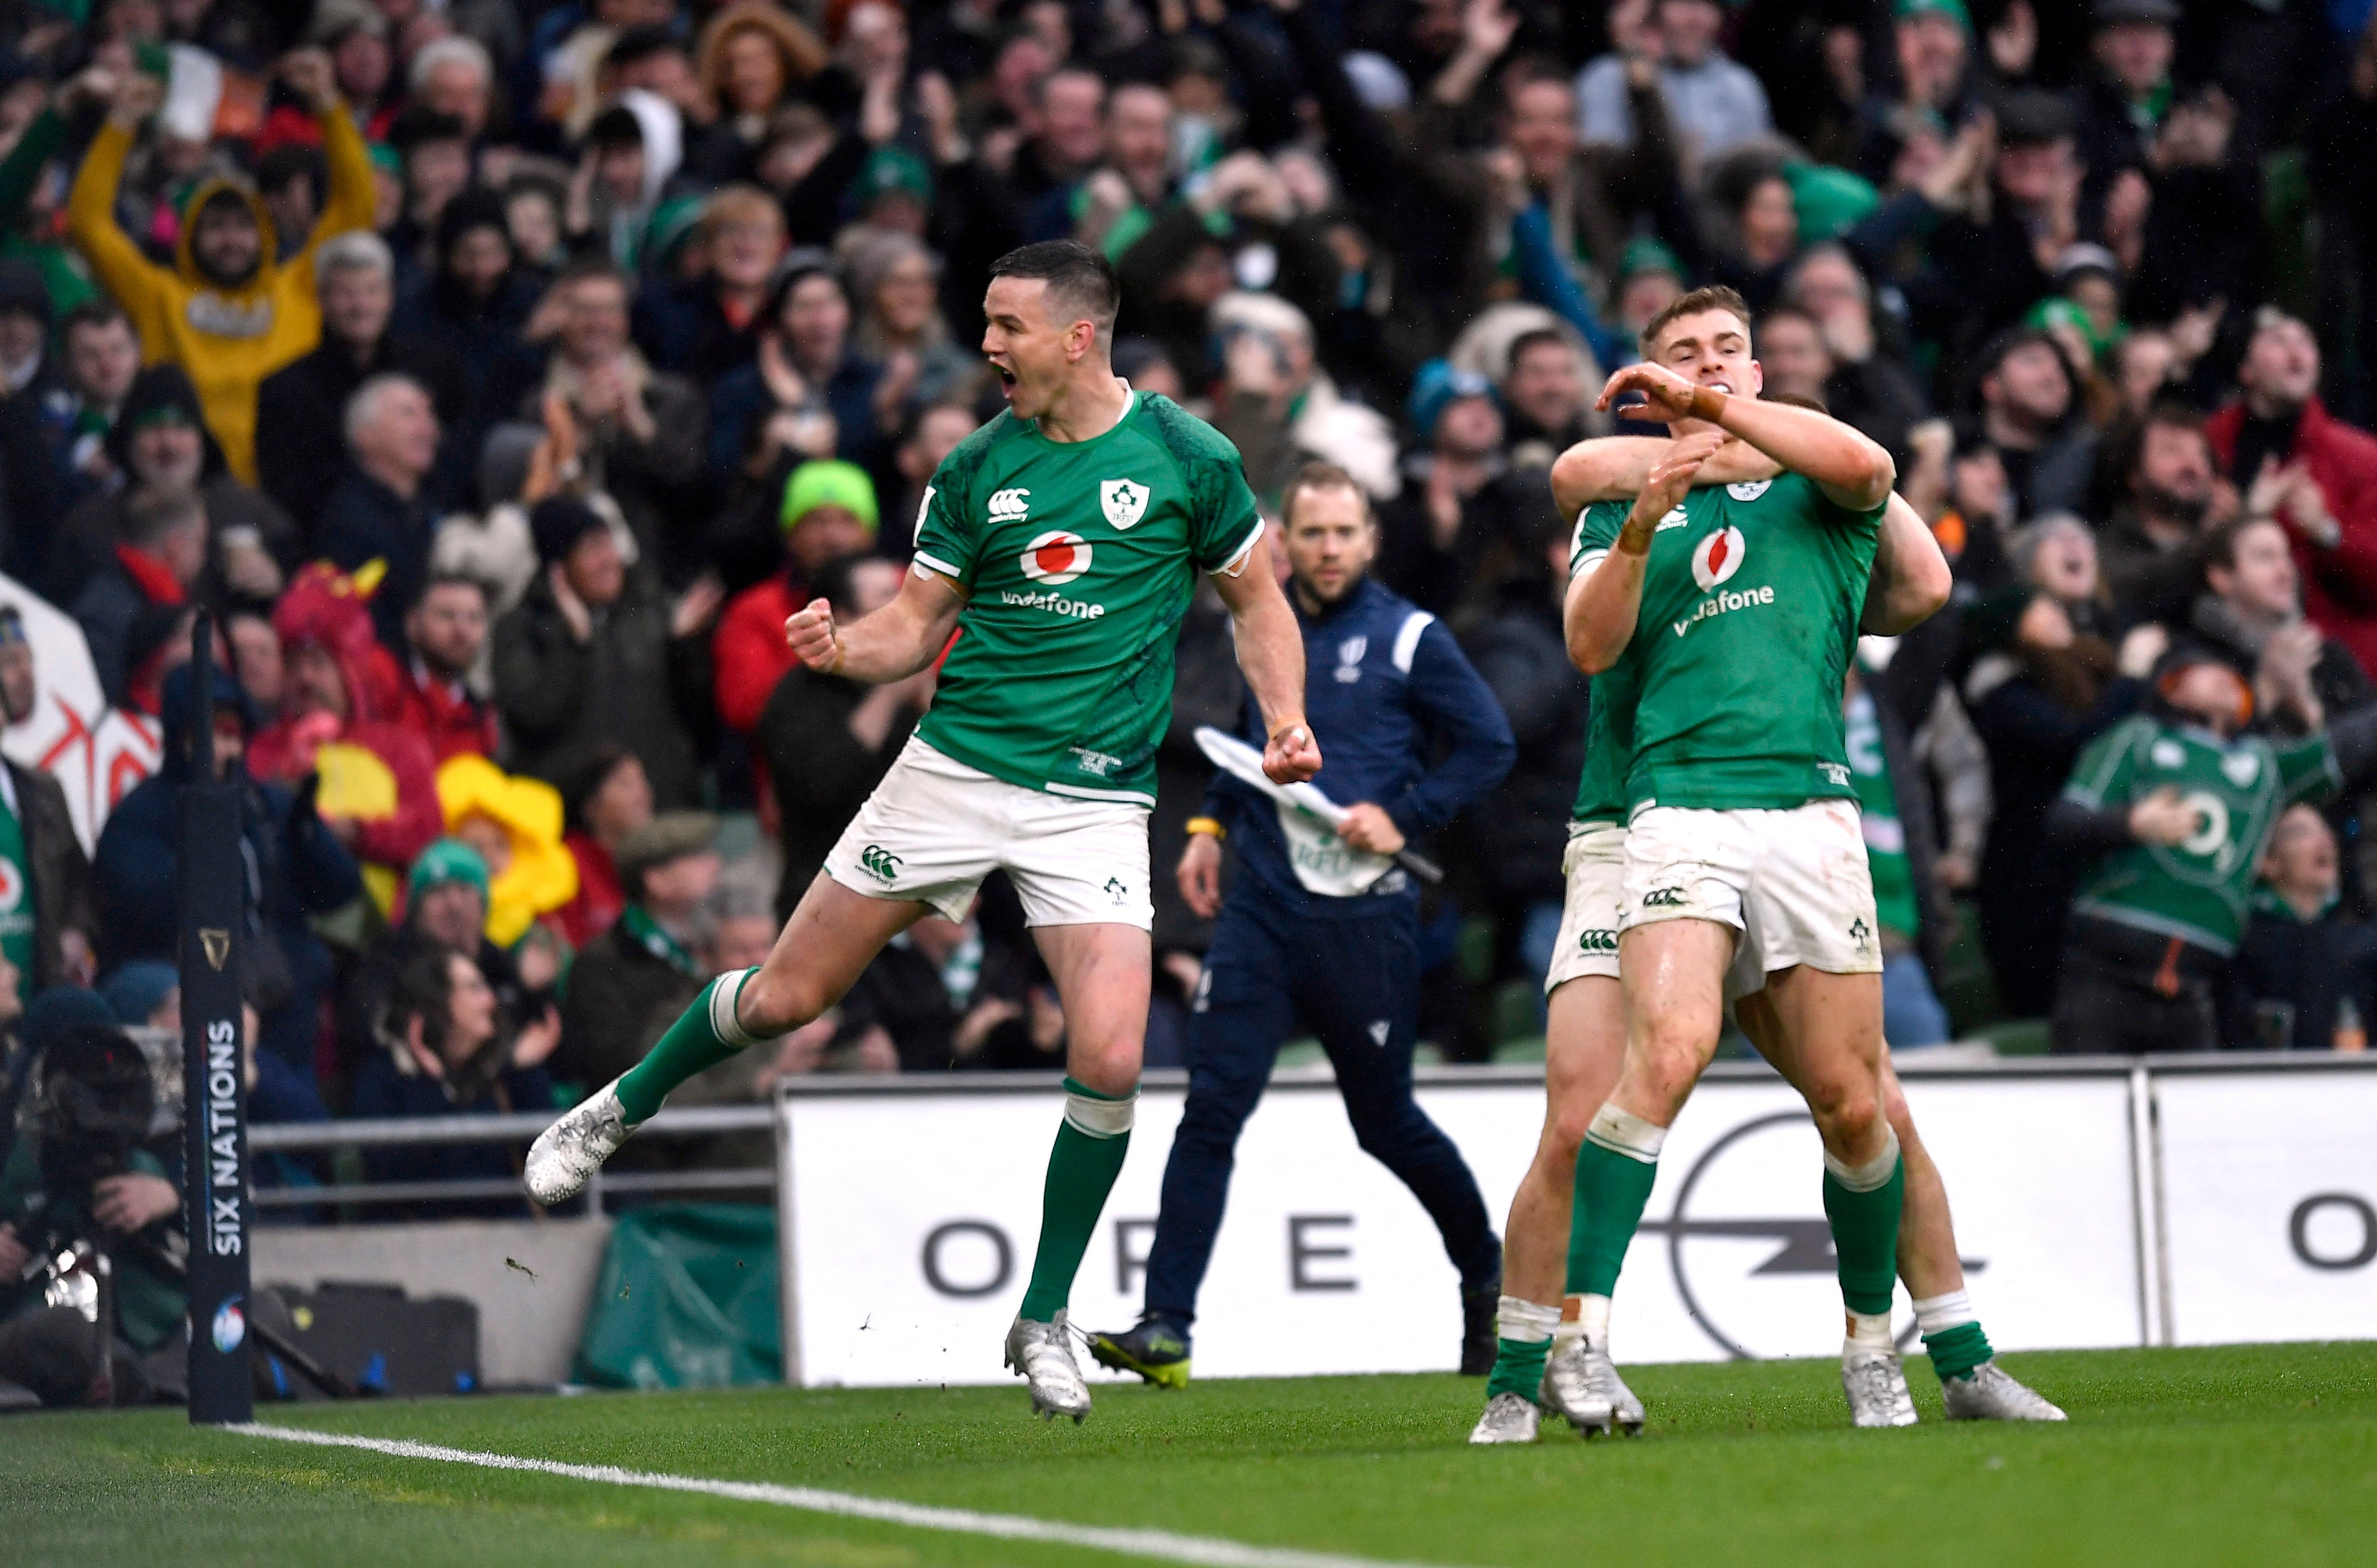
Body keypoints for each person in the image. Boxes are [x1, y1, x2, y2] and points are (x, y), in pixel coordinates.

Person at [526, 240, 1319, 1425]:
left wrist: (1290, 720)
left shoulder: (1188, 457)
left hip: (1096, 800)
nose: (988, 343)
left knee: (1111, 1055)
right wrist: (849, 650)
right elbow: (914, 623)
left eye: (1007, 324)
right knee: (789, 997)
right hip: (951, 774)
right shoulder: (976, 466)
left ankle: (1041, 1313)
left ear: (1079, 335)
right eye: (986, 321)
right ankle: (617, 1106)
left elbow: (1259, 601)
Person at [1476, 289, 2051, 1444]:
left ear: (1758, 361)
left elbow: (1919, 571)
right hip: (1635, 815)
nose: (1710, 367)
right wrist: (1673, 452)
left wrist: (1726, 418)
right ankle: (1527, 1367)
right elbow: (1575, 480)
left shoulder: (1814, 480)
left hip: (1794, 812)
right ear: (1646, 380)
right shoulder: (1626, 483)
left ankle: (1956, 1349)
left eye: (1728, 350)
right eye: (1681, 356)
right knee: (1585, 1107)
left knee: (1868, 1097)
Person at [1090, 462, 1514, 1389]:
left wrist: (1405, 814)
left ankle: (1487, 1273)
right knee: (1212, 1106)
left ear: (1371, 540)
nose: (1326, 550)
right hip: (1263, 908)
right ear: (1284, 540)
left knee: (1386, 1122)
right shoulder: (1262, 627)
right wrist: (1207, 828)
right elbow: (1243, 744)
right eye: (1310, 533)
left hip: (1365, 919)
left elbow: (1490, 746)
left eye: (1343, 533)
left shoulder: (1411, 637)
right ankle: (1167, 1324)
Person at [67, 50, 374, 485]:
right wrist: (121, 125)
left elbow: (356, 207)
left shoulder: (300, 286)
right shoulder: (158, 295)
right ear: (190, 238)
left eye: (244, 227)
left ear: (266, 236)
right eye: (215, 228)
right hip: (188, 493)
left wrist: (328, 104)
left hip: (289, 494)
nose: (231, 241)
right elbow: (87, 222)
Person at [2048, 647, 2377, 1053]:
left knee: (2196, 1110)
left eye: (2234, 673)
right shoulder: (2138, 737)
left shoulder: (2264, 765)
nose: (2225, 675)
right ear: (2171, 688)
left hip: (2196, 984)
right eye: (2202, 668)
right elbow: (2063, 821)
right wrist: (2130, 823)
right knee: (2087, 1103)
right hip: (2105, 972)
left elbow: (2344, 748)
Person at [96, 664, 363, 1074]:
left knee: (295, 1110)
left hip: (282, 999)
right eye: (212, 735)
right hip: (193, 1000)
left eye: (232, 734)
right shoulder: (144, 813)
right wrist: (209, 853)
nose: (225, 749)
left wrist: (308, 832)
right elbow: (138, 905)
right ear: (182, 739)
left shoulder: (268, 807)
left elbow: (341, 889)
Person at [490, 495, 719, 811]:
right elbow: (534, 715)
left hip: (663, 805)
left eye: (609, 545)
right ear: (559, 567)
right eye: (591, 550)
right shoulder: (523, 629)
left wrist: (683, 645)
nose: (609, 560)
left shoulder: (647, 608)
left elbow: (696, 710)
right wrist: (574, 644)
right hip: (578, 817)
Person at [2203, 310, 2377, 683]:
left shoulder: (2360, 456)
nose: (2296, 351)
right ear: (2246, 370)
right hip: (2227, 652)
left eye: (2304, 341)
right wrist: (2247, 518)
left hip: (2336, 665)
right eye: (2278, 341)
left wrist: (2328, 531)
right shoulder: (2209, 445)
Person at [253, 231, 467, 533]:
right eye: (345, 293)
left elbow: (458, 460)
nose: (360, 306)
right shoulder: (285, 390)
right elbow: (286, 493)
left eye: (372, 290)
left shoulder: (434, 370)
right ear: (321, 298)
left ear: (391, 295)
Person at [755, 554, 927, 921]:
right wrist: (889, 697)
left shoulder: (916, 684)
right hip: (822, 900)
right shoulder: (795, 696)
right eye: (886, 600)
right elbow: (822, 787)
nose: (902, 613)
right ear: (845, 619)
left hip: (908, 893)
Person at [350, 947, 561, 1218]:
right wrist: (430, 1089)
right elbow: (408, 1184)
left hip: (503, 1247)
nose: (490, 1000)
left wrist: (525, 1074)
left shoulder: (500, 1071)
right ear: (437, 999)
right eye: (475, 988)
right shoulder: (385, 1077)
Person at [551, 812, 721, 1096]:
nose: (715, 864)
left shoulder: (712, 949)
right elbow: (619, 1065)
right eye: (696, 857)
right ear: (656, 881)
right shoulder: (603, 963)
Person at [2227, 805, 2377, 1051]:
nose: (2326, 840)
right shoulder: (2244, 941)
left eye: (2325, 830)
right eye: (2300, 833)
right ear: (2268, 862)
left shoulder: (2362, 941)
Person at [316, 373, 443, 651]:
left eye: (429, 415)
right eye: (409, 414)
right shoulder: (349, 522)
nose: (428, 429)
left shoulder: (430, 509)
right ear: (366, 436)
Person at [70, 485, 207, 709]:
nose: (204, 556)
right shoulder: (108, 607)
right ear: (176, 545)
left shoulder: (132, 595)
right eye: (201, 542)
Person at [552, 748, 652, 948]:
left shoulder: (654, 859)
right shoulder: (566, 860)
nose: (643, 794)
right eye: (625, 784)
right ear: (590, 806)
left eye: (642, 781)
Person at [397, 573, 500, 763]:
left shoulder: (483, 718)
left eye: (474, 618)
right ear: (412, 623)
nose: (462, 630)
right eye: (447, 615)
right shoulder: (385, 688)